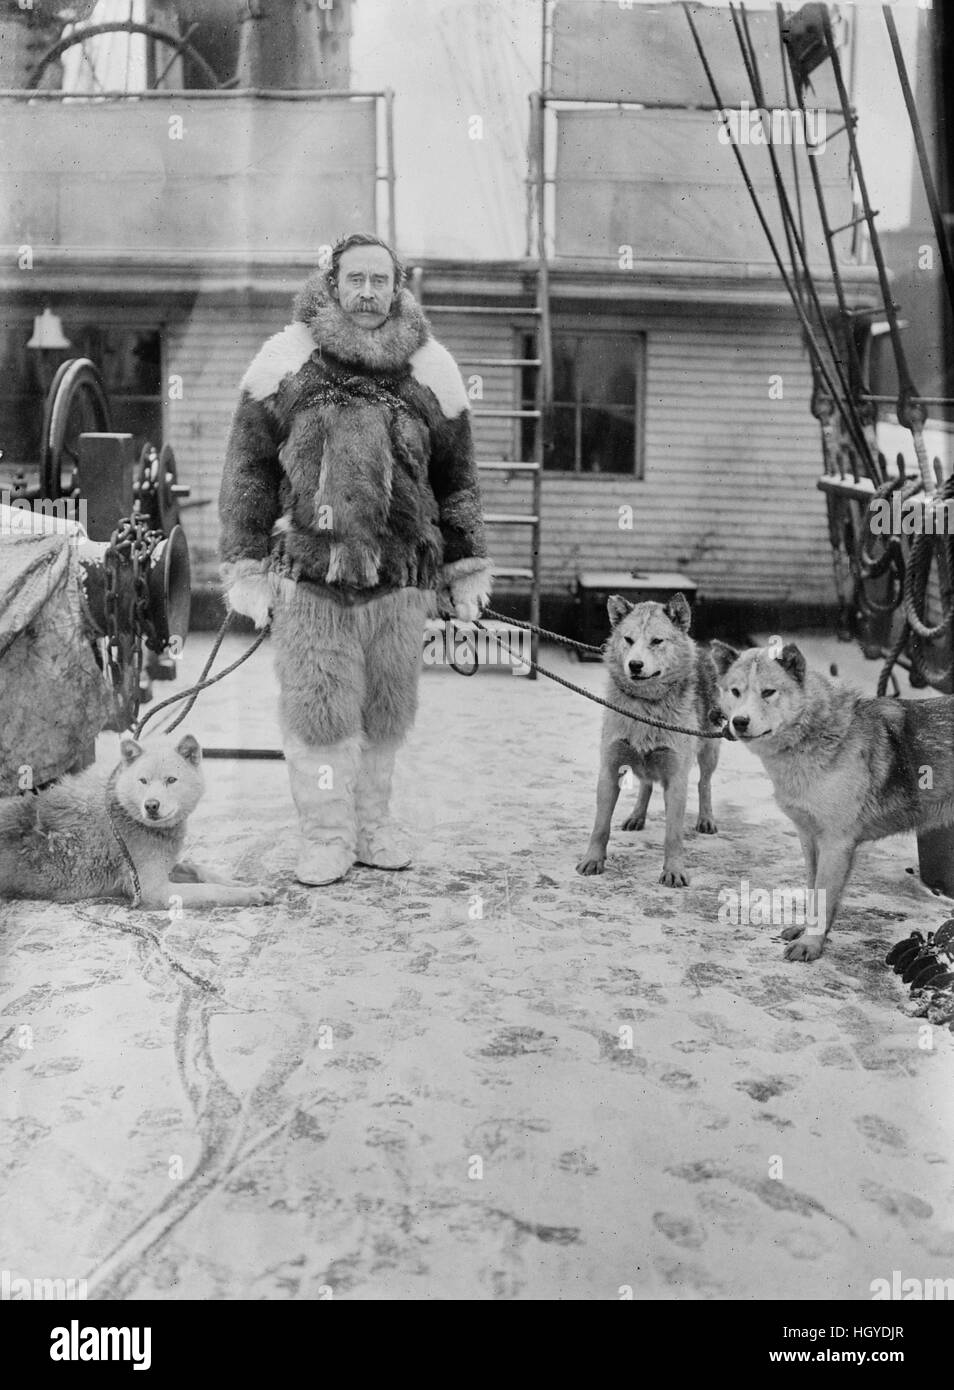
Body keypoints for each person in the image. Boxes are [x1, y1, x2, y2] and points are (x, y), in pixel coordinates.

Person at [219, 232, 492, 885]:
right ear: (332, 283)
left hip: (402, 582)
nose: (368, 292)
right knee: (321, 710)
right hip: (313, 580)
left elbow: (457, 480)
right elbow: (248, 473)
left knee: (385, 710)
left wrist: (465, 565)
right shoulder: (286, 361)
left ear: (399, 287)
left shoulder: (431, 369)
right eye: (356, 279)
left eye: (380, 280)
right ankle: (324, 835)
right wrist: (246, 563)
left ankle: (371, 825)